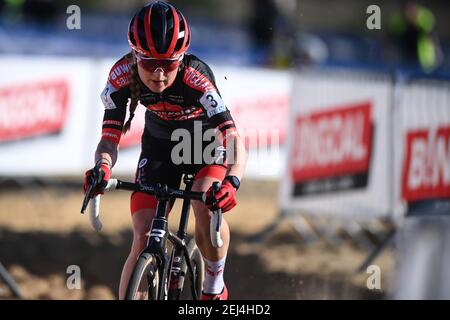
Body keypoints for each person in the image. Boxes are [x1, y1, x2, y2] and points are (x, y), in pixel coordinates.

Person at [83, 1, 247, 300]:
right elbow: (109, 140)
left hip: (202, 144)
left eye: (170, 64)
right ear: (135, 57)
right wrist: (102, 168)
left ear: (181, 59)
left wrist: (232, 181)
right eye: (149, 64)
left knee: (205, 204)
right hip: (159, 144)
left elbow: (233, 139)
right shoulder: (120, 76)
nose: (159, 74)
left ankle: (214, 286)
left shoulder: (197, 79)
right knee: (143, 235)